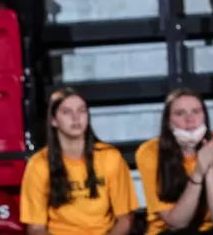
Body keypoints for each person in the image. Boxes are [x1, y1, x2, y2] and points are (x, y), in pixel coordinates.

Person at [21, 88, 136, 235]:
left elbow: (125, 218)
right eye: (67, 112)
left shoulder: (110, 157)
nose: (76, 118)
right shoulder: (39, 164)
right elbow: (36, 228)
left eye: (81, 111)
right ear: (54, 120)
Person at [133, 90, 213, 235]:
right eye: (180, 113)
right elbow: (177, 222)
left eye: (196, 112)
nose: (190, 119)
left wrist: (209, 166)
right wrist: (199, 170)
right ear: (168, 122)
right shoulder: (149, 152)